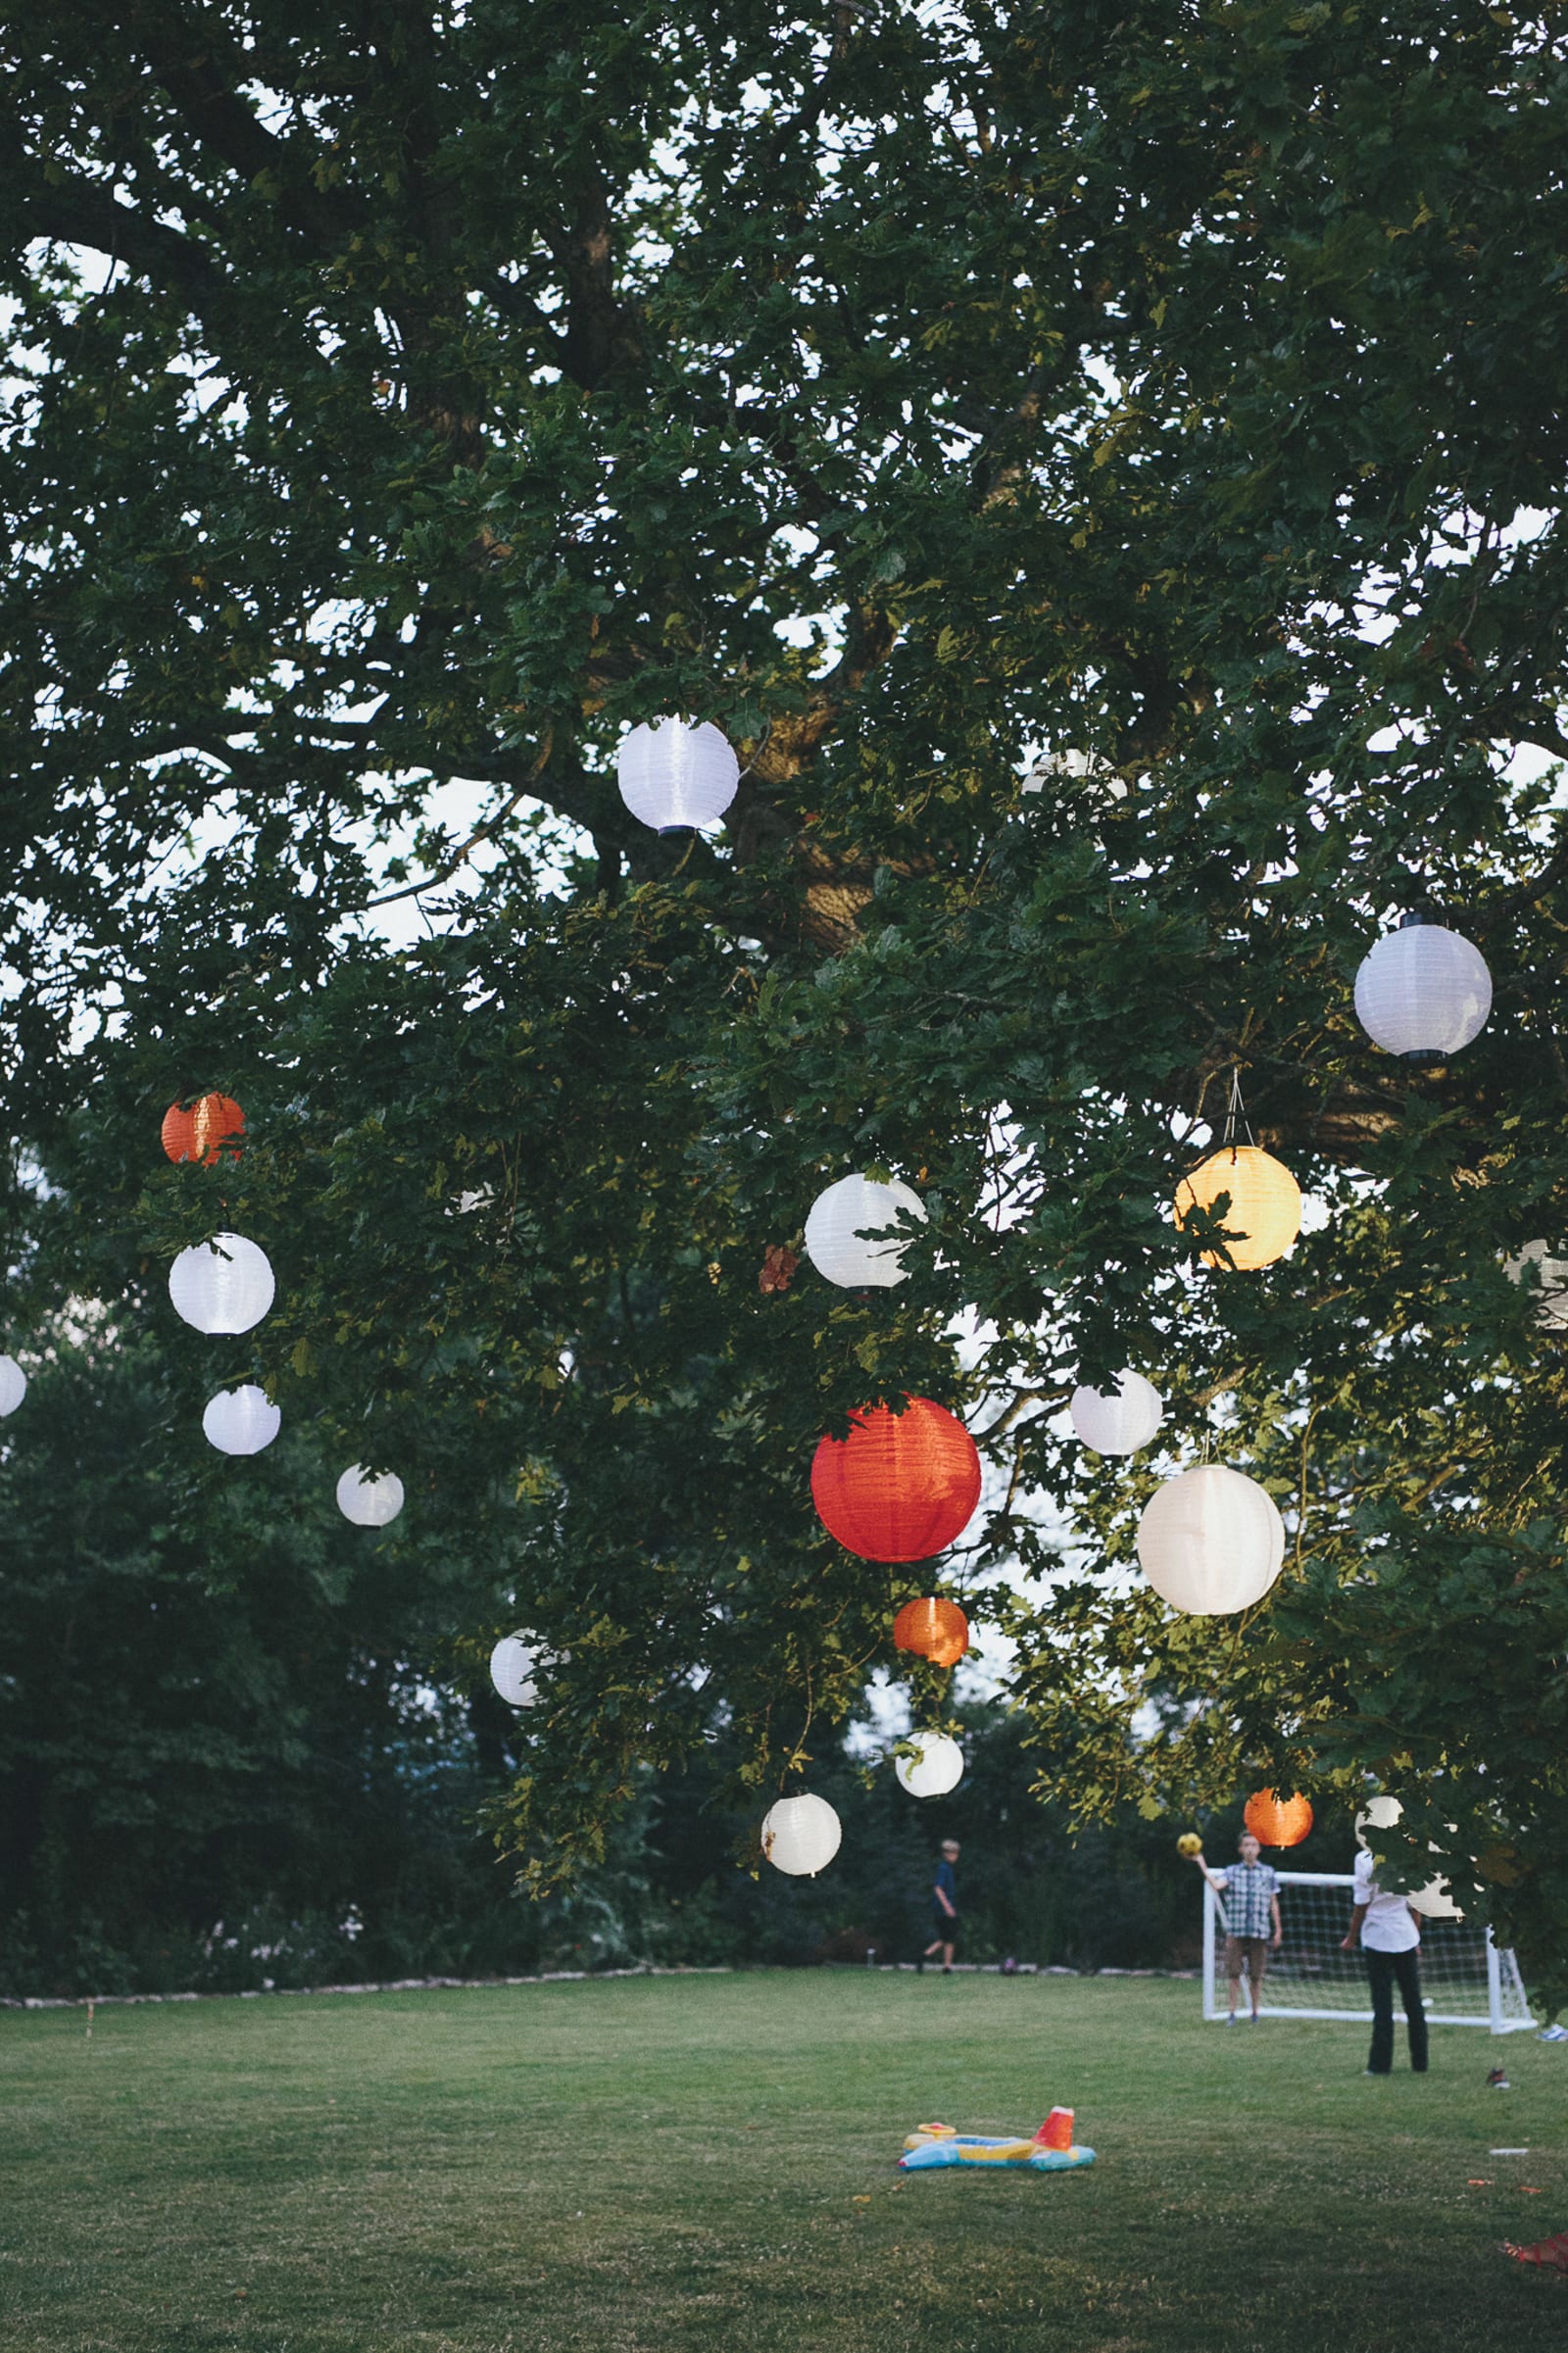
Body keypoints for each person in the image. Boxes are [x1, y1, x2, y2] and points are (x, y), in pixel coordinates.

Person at [1340, 1843, 1428, 2075]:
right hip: (1404, 1935)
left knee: (1383, 2004)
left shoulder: (1364, 1859)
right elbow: (1415, 1906)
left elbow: (1361, 1905)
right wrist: (1415, 1937)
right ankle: (1420, 2062)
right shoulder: (1406, 1857)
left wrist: (1351, 1937)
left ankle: (1379, 2065)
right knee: (1413, 2002)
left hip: (1378, 1937)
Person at [1189, 1830, 1282, 2021]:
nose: (1250, 1849)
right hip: (1236, 1930)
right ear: (1240, 1849)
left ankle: (1255, 2012)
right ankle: (1232, 2012)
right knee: (1233, 1973)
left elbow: (1273, 1902)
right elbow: (1216, 1885)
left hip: (1259, 1930)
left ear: (1259, 1849)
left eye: (1254, 1845)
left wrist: (1278, 1930)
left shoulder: (1268, 1873)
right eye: (1246, 1845)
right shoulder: (1232, 1872)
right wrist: (1201, 1863)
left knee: (1256, 1975)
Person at [922, 1839, 960, 1972]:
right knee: (948, 1937)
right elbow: (938, 1889)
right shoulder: (944, 1868)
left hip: (944, 1907)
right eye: (954, 1853)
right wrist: (947, 1907)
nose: (956, 1856)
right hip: (942, 1909)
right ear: (947, 1854)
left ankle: (928, 1959)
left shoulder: (948, 1868)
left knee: (947, 1937)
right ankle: (945, 1965)